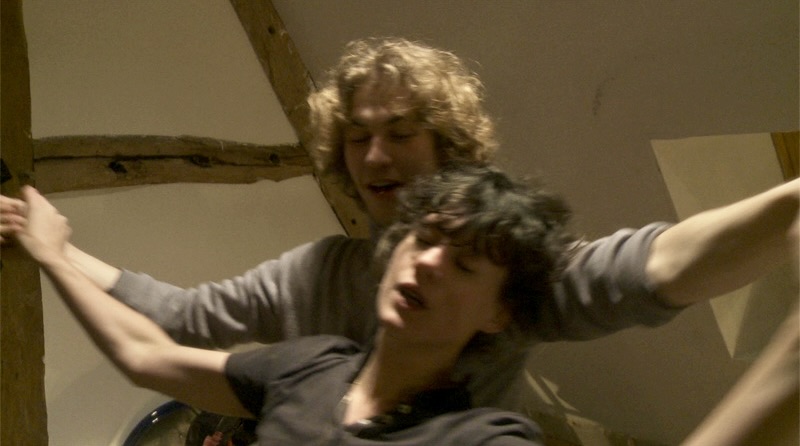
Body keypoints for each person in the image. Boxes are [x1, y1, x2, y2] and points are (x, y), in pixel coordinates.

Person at [1, 38, 798, 410]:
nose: (375, 156)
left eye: (401, 132)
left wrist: (790, 202)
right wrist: (54, 249)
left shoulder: (501, 279)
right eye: (356, 137)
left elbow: (651, 267)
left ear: (447, 143)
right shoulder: (316, 283)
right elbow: (173, 324)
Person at [14, 164, 580, 445]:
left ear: (499, 313)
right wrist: (53, 255)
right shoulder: (313, 363)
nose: (429, 262)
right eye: (425, 239)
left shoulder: (482, 438)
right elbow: (144, 355)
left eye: (465, 264)